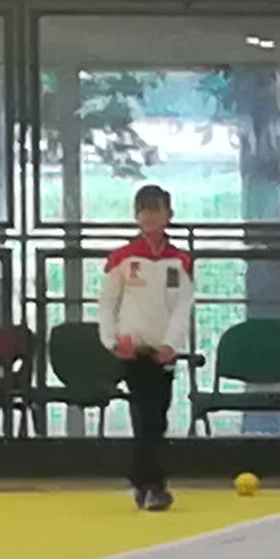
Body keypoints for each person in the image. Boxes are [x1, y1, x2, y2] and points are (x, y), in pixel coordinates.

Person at [97, 184, 194, 513]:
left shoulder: (179, 261)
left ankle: (143, 481)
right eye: (144, 210)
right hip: (133, 351)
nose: (149, 216)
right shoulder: (122, 259)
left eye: (156, 209)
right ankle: (153, 484)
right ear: (136, 216)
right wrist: (112, 341)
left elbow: (181, 307)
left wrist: (170, 344)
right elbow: (107, 305)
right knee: (146, 416)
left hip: (162, 352)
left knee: (158, 417)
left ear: (168, 214)